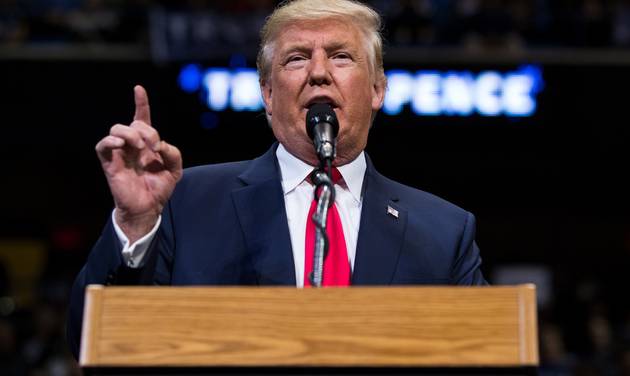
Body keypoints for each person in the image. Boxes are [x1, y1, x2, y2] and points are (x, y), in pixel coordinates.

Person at [67, 0, 487, 359]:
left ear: (378, 89)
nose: (318, 72)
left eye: (341, 56)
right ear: (267, 93)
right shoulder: (187, 201)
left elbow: (486, 354)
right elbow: (90, 338)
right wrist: (136, 224)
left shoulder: (443, 231)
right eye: (297, 58)